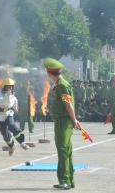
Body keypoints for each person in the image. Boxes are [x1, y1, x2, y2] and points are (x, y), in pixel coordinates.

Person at [44, 58, 81, 190]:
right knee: (67, 150)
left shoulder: (62, 86)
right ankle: (70, 180)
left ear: (49, 73)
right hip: (63, 121)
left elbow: (68, 105)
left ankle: (65, 180)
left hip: (63, 122)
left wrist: (74, 119)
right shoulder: (60, 84)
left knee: (63, 150)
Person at [0, 77, 29, 156]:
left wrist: (16, 109)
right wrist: (7, 97)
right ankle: (12, 146)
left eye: (11, 87)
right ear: (4, 87)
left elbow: (15, 102)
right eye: (7, 87)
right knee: (5, 134)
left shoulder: (13, 96)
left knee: (12, 126)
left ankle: (22, 142)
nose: (9, 88)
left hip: (8, 114)